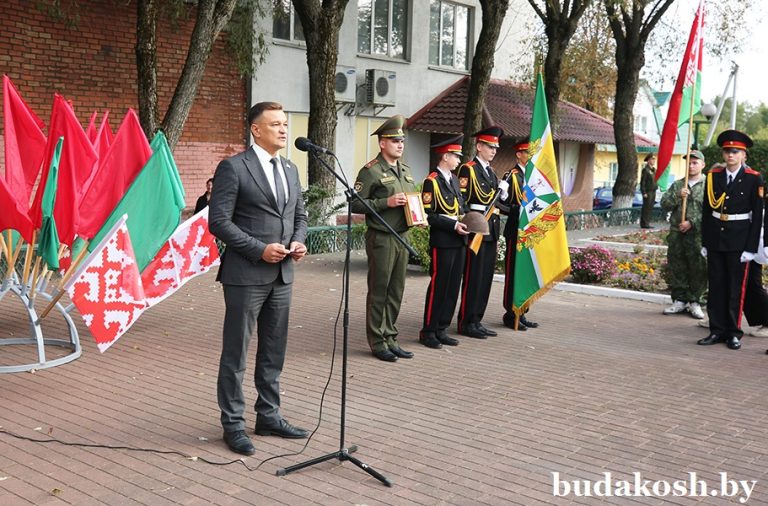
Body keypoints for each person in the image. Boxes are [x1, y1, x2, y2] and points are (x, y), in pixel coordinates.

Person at [208, 101, 309, 456]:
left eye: (285, 123)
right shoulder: (234, 168)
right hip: (246, 274)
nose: (284, 129)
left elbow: (300, 214)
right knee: (236, 351)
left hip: (283, 274)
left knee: (273, 350)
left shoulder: (290, 169)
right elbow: (218, 222)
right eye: (276, 124)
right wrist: (258, 249)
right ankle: (233, 424)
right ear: (256, 129)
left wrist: (298, 240)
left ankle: (269, 415)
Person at [350, 114, 417, 362]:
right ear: (382, 144)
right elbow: (355, 204)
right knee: (380, 290)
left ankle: (391, 337)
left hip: (402, 236)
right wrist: (385, 202)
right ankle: (377, 341)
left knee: (396, 290)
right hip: (382, 238)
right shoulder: (371, 171)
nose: (400, 144)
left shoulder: (405, 171)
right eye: (394, 140)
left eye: (402, 140)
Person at [697, 130, 764, 351]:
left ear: (744, 155)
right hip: (716, 237)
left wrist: (751, 248)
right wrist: (705, 242)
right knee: (716, 287)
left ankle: (734, 333)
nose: (730, 155)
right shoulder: (714, 176)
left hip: (739, 239)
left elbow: (757, 217)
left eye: (735, 152)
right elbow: (707, 212)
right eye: (727, 151)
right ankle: (716, 330)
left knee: (736, 289)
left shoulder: (754, 178)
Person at [419, 135, 470, 349]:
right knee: (439, 286)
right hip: (443, 240)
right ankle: (428, 330)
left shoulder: (454, 180)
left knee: (452, 287)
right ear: (446, 156)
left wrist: (469, 221)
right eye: (456, 156)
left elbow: (460, 208)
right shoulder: (432, 181)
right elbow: (428, 214)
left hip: (459, 240)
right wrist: (452, 225)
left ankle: (442, 328)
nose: (459, 160)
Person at [457, 126, 505, 339]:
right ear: (479, 146)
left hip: (491, 229)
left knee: (485, 277)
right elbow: (462, 201)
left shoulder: (491, 172)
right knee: (473, 276)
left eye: (496, 147)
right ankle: (466, 321)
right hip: (477, 227)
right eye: (490, 146)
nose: (494, 150)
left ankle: (477, 319)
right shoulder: (469, 169)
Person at [659, 150, 707, 319]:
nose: (691, 166)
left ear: (702, 165)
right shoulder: (679, 185)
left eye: (695, 163)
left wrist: (692, 222)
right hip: (677, 233)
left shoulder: (709, 185)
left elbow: (712, 210)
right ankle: (679, 300)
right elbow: (664, 204)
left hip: (698, 234)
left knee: (699, 268)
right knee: (677, 266)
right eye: (689, 163)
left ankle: (695, 301)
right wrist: (678, 196)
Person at [500, 141, 538, 331]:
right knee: (514, 272)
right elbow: (500, 203)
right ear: (518, 154)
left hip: (529, 232)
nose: (530, 156)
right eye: (526, 153)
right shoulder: (511, 176)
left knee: (525, 273)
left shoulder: (533, 177)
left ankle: (522, 312)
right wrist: (518, 212)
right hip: (515, 230)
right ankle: (510, 313)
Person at [639, 153, 658, 229]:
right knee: (646, 208)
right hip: (648, 191)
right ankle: (644, 223)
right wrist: (644, 192)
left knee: (650, 207)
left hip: (653, 191)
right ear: (648, 160)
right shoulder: (645, 170)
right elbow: (643, 182)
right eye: (652, 159)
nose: (654, 161)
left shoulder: (654, 170)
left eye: (654, 159)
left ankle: (647, 222)